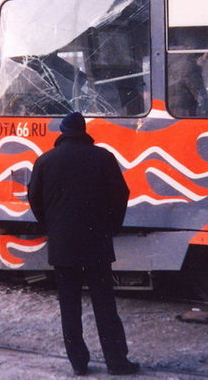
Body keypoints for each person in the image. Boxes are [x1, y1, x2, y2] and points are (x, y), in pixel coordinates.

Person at [27, 112, 140, 376]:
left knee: (69, 307)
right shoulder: (103, 157)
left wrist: (51, 226)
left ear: (62, 131)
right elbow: (120, 194)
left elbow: (34, 198)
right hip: (96, 243)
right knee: (105, 305)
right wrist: (112, 226)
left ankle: (78, 363)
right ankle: (116, 362)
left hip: (62, 245)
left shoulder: (45, 161)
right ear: (83, 130)